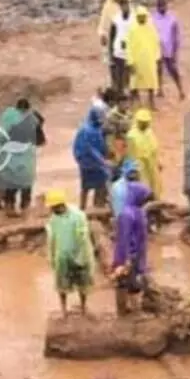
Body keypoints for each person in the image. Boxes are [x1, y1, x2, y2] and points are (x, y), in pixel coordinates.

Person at [45, 189, 95, 315]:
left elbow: (82, 238)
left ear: (60, 205)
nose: (51, 210)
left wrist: (81, 257)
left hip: (80, 255)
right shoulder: (53, 219)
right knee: (61, 284)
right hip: (62, 256)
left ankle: (83, 307)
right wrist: (51, 257)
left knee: (83, 283)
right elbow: (51, 239)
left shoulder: (78, 216)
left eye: (53, 207)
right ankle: (64, 309)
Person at [111, 183, 152, 316]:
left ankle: (125, 310)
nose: (145, 201)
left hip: (137, 252)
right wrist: (126, 258)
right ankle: (133, 311)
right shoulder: (127, 215)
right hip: (129, 253)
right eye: (143, 198)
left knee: (127, 281)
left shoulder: (137, 210)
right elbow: (124, 238)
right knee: (130, 283)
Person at [0, 98, 46, 215]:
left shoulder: (9, 116)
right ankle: (24, 207)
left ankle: (9, 205)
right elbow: (41, 140)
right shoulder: (32, 118)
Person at [73, 108, 112, 211]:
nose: (101, 121)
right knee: (87, 187)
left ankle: (97, 207)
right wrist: (103, 161)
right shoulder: (86, 130)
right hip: (87, 162)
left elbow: (101, 144)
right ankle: (83, 209)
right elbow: (90, 149)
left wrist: (106, 153)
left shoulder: (96, 128)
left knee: (100, 186)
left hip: (96, 161)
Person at [126, 6, 162, 109]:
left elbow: (156, 42)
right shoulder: (132, 29)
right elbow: (129, 46)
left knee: (151, 82)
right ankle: (137, 103)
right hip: (136, 60)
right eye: (140, 17)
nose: (141, 18)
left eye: (143, 16)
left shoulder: (151, 28)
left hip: (149, 59)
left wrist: (157, 56)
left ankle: (151, 102)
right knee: (134, 83)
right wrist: (130, 61)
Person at [151, 0, 185, 100]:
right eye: (160, 6)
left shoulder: (172, 19)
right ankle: (159, 89)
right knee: (158, 69)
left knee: (172, 70)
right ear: (157, 7)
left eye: (164, 6)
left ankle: (180, 90)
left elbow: (176, 36)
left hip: (168, 49)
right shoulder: (152, 19)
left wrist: (175, 51)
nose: (162, 8)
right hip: (156, 49)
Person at [125, 109, 162, 200]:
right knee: (143, 189)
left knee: (155, 187)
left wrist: (158, 161)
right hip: (140, 167)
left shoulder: (149, 132)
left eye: (146, 122)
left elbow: (154, 147)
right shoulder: (131, 136)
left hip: (152, 165)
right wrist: (134, 170)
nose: (145, 124)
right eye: (143, 122)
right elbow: (130, 156)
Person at [107, 0, 133, 95]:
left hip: (130, 51)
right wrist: (110, 52)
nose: (124, 7)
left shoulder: (134, 18)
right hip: (118, 51)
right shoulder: (116, 19)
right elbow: (112, 35)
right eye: (122, 5)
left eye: (126, 4)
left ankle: (128, 96)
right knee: (118, 76)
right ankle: (120, 96)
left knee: (129, 75)